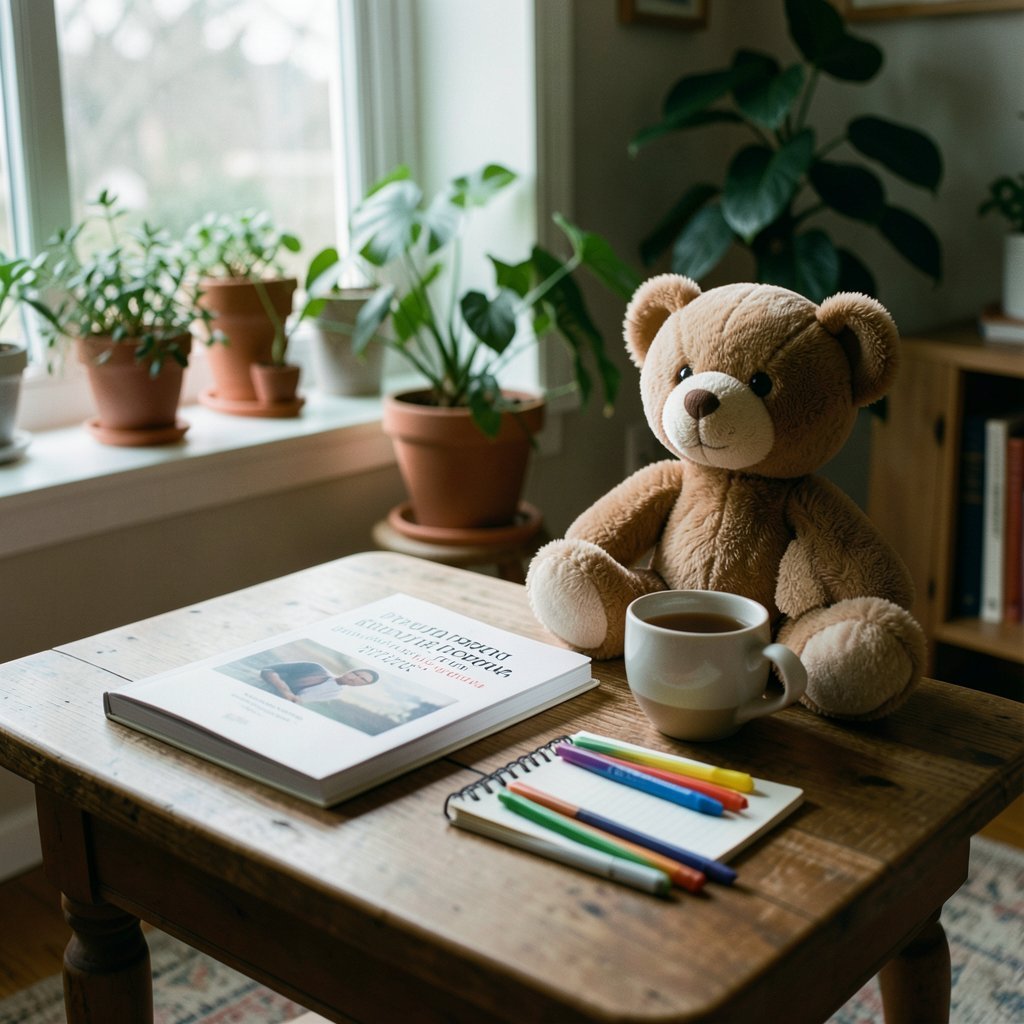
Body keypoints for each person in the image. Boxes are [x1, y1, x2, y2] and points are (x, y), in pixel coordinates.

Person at [259, 661, 379, 704]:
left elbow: (300, 702)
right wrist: (283, 689)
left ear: (362, 685)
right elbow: (268, 669)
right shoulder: (315, 668)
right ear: (350, 671)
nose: (355, 678)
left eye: (362, 680)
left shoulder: (334, 696)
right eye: (356, 674)